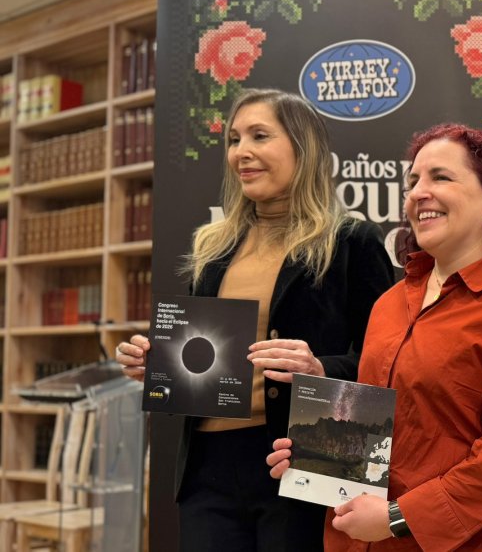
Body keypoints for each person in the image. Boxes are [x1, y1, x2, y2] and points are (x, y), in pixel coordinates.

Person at [114, 89, 394, 552]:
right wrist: (156, 364)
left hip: (308, 461)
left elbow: (385, 363)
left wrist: (322, 369)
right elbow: (198, 362)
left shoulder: (352, 241)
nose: (241, 152)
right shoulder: (212, 248)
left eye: (260, 136)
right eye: (234, 138)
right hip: (207, 470)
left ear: (303, 149)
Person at [267, 123, 482, 551]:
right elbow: (371, 426)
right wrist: (318, 460)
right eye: (413, 181)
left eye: (440, 177)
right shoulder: (389, 304)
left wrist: (397, 517)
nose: (418, 192)